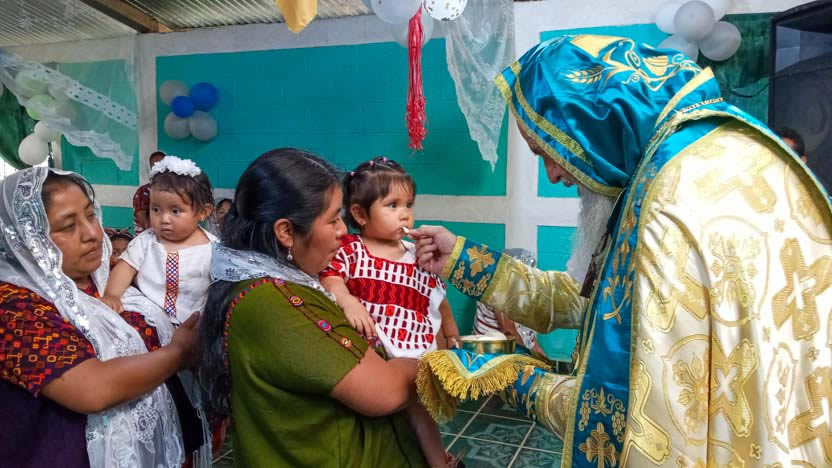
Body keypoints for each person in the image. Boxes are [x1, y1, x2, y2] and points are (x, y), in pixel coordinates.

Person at [411, 35, 832, 467]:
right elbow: (589, 301)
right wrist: (461, 257)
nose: (552, 175)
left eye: (548, 152)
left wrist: (514, 376)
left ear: (590, 130)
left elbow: (630, 426)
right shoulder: (716, 152)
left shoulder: (666, 204)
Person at [198, 148, 428, 467]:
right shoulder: (274, 303)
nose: (343, 231)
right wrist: (442, 363)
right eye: (333, 219)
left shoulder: (277, 281)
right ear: (286, 232)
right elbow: (385, 391)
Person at [0, 168, 207, 467]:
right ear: (27, 237)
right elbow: (91, 390)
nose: (93, 234)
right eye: (68, 226)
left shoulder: (110, 273)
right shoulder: (13, 305)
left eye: (90, 215)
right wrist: (180, 353)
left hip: (164, 443)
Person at [320, 156, 461, 468]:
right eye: (392, 205)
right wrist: (349, 301)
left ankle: (438, 461)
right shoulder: (352, 249)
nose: (405, 214)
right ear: (360, 214)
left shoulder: (417, 254)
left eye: (408, 205)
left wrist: (451, 335)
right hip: (372, 349)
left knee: (421, 409)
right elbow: (331, 279)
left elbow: (437, 299)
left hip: (414, 350)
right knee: (382, 413)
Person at [103, 156, 217, 324]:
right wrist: (112, 294)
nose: (164, 219)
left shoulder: (213, 249)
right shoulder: (146, 241)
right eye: (156, 209)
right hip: (148, 315)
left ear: (203, 212)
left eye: (175, 211)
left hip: (193, 322)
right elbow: (126, 267)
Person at [472, 248, 544, 356]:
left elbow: (530, 339)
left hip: (513, 351)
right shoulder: (499, 293)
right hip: (492, 355)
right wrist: (533, 359)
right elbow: (510, 333)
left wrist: (545, 361)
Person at [133, 150, 166, 235]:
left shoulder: (173, 190)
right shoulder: (144, 191)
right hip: (148, 237)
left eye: (162, 164)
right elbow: (144, 223)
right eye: (154, 165)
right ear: (149, 168)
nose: (159, 168)